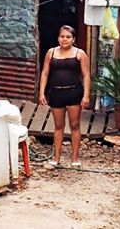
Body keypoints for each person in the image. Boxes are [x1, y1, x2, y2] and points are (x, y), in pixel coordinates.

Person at [39, 25, 90, 166]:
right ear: (58, 38)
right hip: (55, 93)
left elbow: (86, 75)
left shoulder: (80, 54)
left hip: (74, 93)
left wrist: (86, 95)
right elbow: (44, 73)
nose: (65, 39)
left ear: (73, 39)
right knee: (58, 126)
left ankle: (75, 158)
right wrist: (41, 92)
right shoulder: (51, 52)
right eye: (62, 36)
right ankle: (56, 158)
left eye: (68, 36)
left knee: (75, 125)